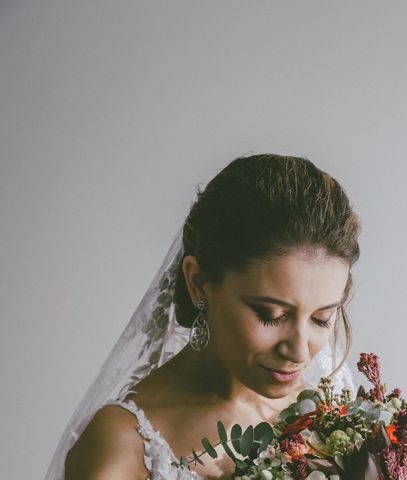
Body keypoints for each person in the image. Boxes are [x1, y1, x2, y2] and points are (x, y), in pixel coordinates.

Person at [46, 154, 362, 480]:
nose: (298, 351)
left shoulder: (335, 414)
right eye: (271, 315)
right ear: (199, 283)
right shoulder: (123, 447)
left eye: (322, 318)